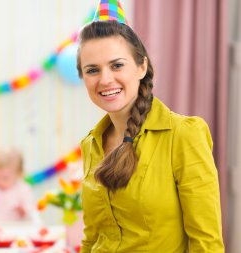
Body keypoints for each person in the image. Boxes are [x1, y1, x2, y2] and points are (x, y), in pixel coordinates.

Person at [77, 1, 224, 252]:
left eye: (117, 65)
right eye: (92, 70)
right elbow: (93, 238)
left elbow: (206, 243)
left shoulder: (183, 135)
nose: (105, 79)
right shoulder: (91, 144)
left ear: (141, 67)